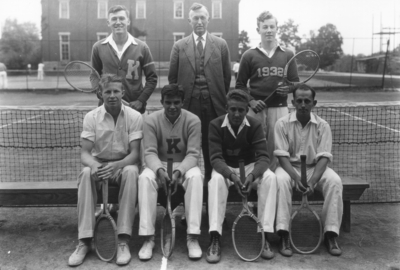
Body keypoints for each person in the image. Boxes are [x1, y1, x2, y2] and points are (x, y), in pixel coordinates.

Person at [68, 74, 143, 266]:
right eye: (107, 91)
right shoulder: (91, 117)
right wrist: (94, 165)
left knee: (132, 171)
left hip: (123, 165)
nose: (111, 95)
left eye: (116, 91)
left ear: (122, 92)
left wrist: (117, 165)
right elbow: (85, 154)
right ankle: (84, 241)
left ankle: (123, 240)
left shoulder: (135, 117)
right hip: (99, 165)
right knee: (85, 173)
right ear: (100, 93)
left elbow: (135, 155)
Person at [206, 90, 277, 263]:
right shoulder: (215, 125)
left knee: (271, 178)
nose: (237, 114)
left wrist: (252, 176)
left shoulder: (255, 125)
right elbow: (215, 158)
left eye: (241, 110)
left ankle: (264, 235)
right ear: (226, 108)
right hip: (227, 168)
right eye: (233, 109)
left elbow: (263, 157)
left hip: (251, 167)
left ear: (247, 110)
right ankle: (215, 236)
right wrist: (231, 175)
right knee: (215, 180)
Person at [274, 84, 343, 257]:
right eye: (299, 100)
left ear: (314, 103)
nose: (303, 104)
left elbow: (324, 158)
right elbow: (282, 157)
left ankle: (330, 234)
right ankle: (283, 233)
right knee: (280, 181)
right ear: (293, 102)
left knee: (335, 181)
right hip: (289, 168)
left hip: (315, 169)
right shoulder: (281, 124)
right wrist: (296, 178)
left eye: (307, 101)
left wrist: (312, 182)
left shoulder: (323, 125)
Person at [138, 84, 204, 260]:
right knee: (145, 178)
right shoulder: (151, 120)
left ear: (182, 102)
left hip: (184, 164)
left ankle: (193, 237)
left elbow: (193, 154)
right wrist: (159, 170)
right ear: (162, 102)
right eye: (168, 102)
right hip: (158, 164)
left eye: (176, 102)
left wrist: (179, 172)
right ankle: (148, 238)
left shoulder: (193, 120)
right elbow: (150, 152)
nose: (172, 106)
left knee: (196, 177)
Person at [168, 2, 231, 182]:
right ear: (190, 21)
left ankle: (212, 192)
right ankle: (187, 194)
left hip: (214, 106)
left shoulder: (221, 44)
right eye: (196, 18)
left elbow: (226, 78)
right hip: (189, 105)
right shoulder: (179, 46)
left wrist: (215, 97)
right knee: (188, 148)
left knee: (213, 147)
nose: (200, 21)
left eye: (203, 17)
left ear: (208, 19)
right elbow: (173, 80)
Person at [235, 11, 299, 171]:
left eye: (272, 26)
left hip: (279, 108)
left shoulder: (288, 54)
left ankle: (273, 179)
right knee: (252, 144)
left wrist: (289, 88)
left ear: (277, 29)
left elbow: (295, 82)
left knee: (278, 147)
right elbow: (240, 85)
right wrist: (251, 101)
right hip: (256, 108)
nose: (269, 30)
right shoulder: (249, 55)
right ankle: (254, 179)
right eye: (265, 27)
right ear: (258, 30)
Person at [91, 5, 157, 114]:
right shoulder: (98, 47)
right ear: (108, 23)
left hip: (134, 108)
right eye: (114, 19)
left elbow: (152, 78)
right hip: (107, 108)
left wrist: (141, 100)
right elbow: (94, 74)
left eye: (121, 18)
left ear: (128, 21)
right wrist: (98, 89)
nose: (118, 22)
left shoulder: (142, 47)